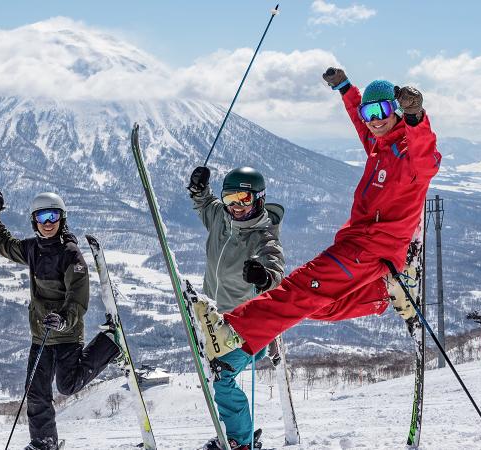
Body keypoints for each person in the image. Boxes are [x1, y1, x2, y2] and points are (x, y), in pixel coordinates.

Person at [195, 67, 441, 370]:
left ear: (398, 110)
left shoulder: (408, 154)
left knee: (300, 288)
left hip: (371, 246)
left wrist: (417, 117)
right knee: (319, 306)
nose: (375, 119)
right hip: (365, 246)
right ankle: (385, 292)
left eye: (383, 109)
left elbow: (427, 158)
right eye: (369, 111)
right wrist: (346, 89)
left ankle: (232, 332)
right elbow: (359, 122)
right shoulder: (379, 144)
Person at [0, 190, 121, 450]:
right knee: (36, 393)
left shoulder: (71, 255)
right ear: (34, 221)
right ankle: (44, 443)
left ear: (62, 219)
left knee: (67, 386)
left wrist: (63, 320)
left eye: (53, 216)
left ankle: (110, 343)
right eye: (42, 217)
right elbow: (3, 243)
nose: (48, 223)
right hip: (41, 336)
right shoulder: (32, 249)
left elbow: (78, 299)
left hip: (66, 335)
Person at [187, 166, 286, 450]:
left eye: (243, 199)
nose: (236, 207)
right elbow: (205, 204)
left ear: (258, 199)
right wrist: (198, 189)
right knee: (214, 373)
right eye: (230, 198)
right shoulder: (220, 218)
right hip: (215, 321)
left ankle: (240, 441)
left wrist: (264, 276)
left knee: (222, 375)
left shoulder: (263, 236)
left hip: (246, 327)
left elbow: (274, 266)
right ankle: (240, 432)